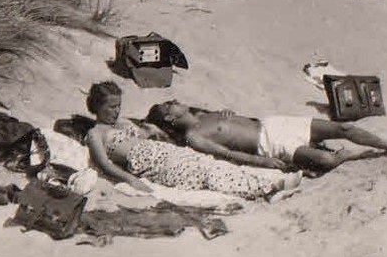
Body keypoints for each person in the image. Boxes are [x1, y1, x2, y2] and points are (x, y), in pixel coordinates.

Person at [83, 81, 297, 201]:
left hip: (164, 151)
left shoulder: (122, 122)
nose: (116, 110)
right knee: (206, 176)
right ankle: (269, 187)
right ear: (97, 106)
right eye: (111, 107)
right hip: (152, 165)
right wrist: (131, 181)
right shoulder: (96, 133)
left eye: (118, 105)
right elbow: (104, 164)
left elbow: (152, 130)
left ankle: (270, 180)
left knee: (211, 164)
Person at [145, 100, 387, 175]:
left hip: (274, 124)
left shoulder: (200, 112)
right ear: (170, 118)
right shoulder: (194, 136)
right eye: (170, 105)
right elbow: (226, 154)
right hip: (269, 145)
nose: (176, 101)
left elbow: (231, 121)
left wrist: (225, 112)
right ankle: (348, 155)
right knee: (326, 160)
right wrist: (262, 163)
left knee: (342, 129)